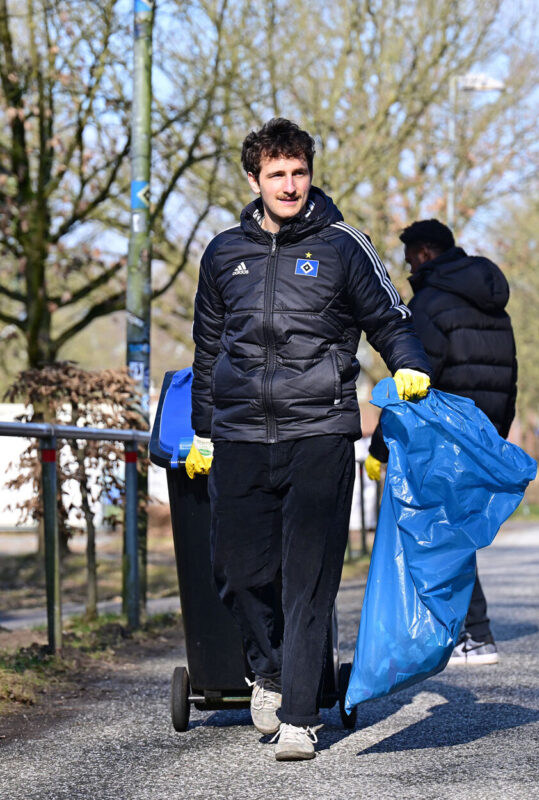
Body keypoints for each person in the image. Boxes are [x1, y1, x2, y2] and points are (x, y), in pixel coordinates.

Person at [185, 118, 431, 761]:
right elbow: (208, 349)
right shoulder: (221, 254)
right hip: (238, 435)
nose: (289, 185)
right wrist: (203, 432)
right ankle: (266, 673)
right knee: (237, 575)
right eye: (276, 175)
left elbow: (391, 317)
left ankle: (299, 716)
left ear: (310, 174)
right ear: (254, 180)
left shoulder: (345, 246)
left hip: (319, 430)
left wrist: (409, 360)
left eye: (298, 172)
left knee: (308, 579)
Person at [365, 218, 517, 666]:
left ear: (426, 254)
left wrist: (378, 448)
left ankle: (474, 634)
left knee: (442, 532)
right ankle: (472, 632)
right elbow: (508, 373)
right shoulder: (492, 302)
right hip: (485, 430)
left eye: (410, 256)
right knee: (457, 528)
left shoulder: (429, 303)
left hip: (445, 436)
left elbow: (414, 382)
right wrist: (497, 434)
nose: (408, 264)